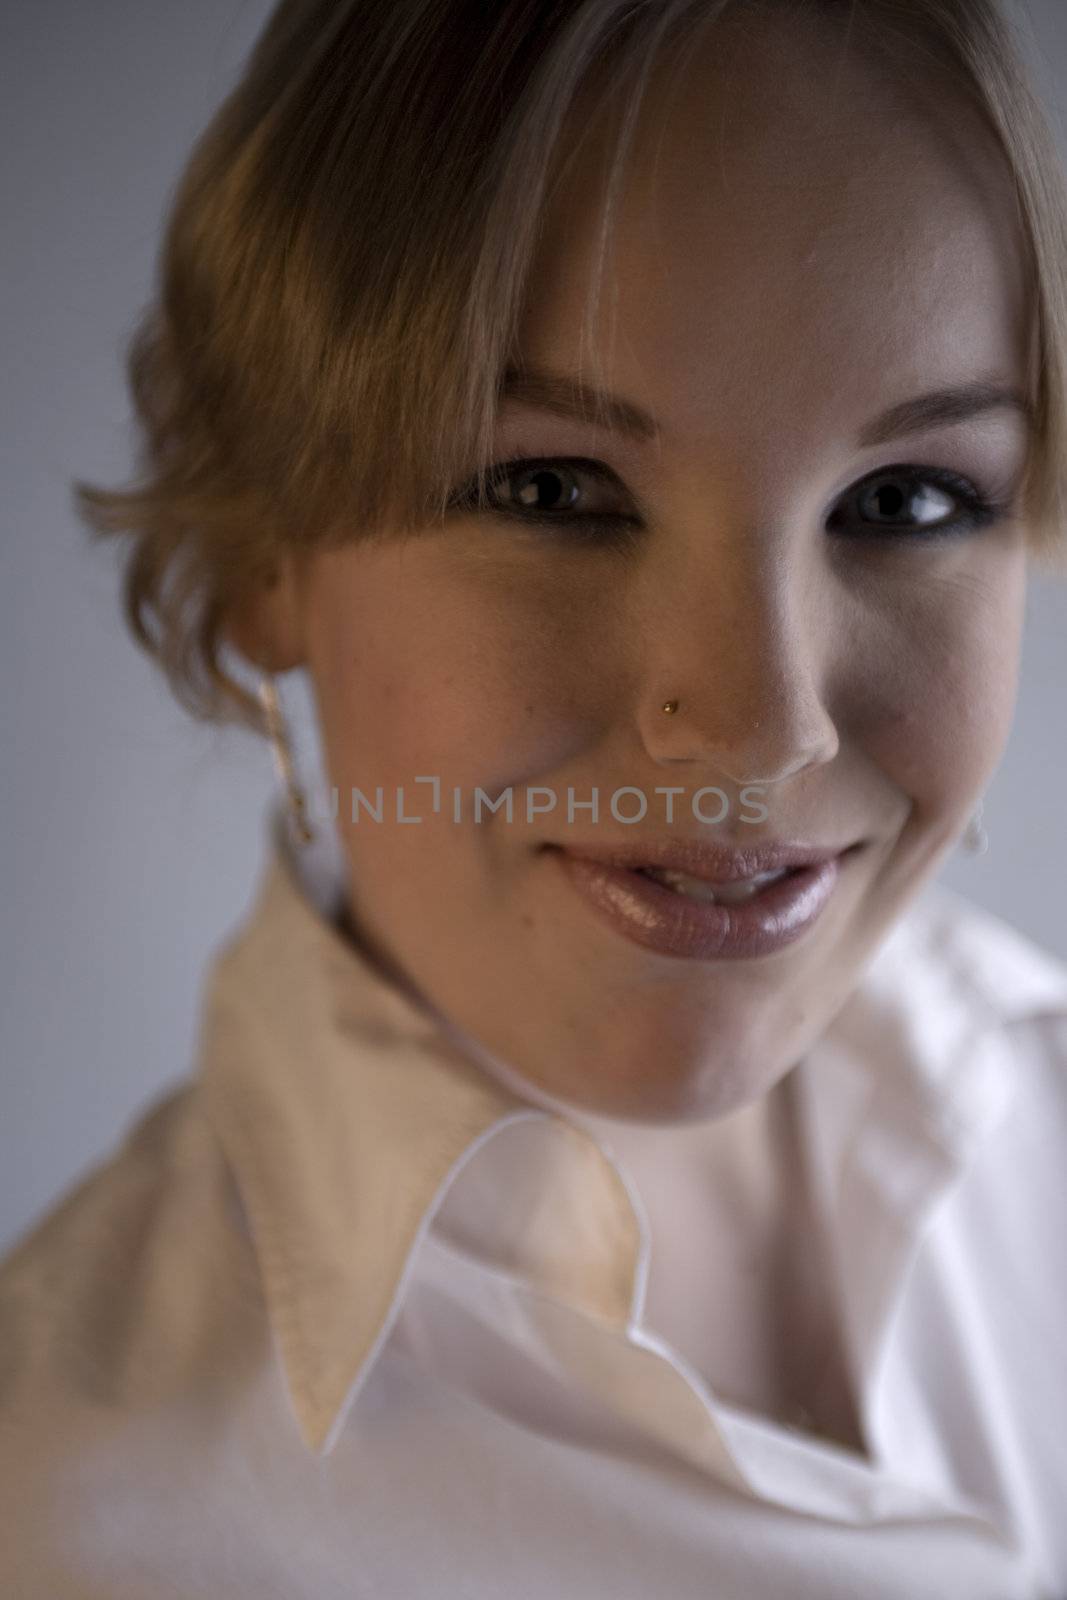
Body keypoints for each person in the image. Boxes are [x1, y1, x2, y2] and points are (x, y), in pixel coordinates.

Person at [3, 0, 1067, 1593]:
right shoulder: (79, 1520)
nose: (760, 732)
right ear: (259, 552)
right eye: (553, 491)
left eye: (905, 500)